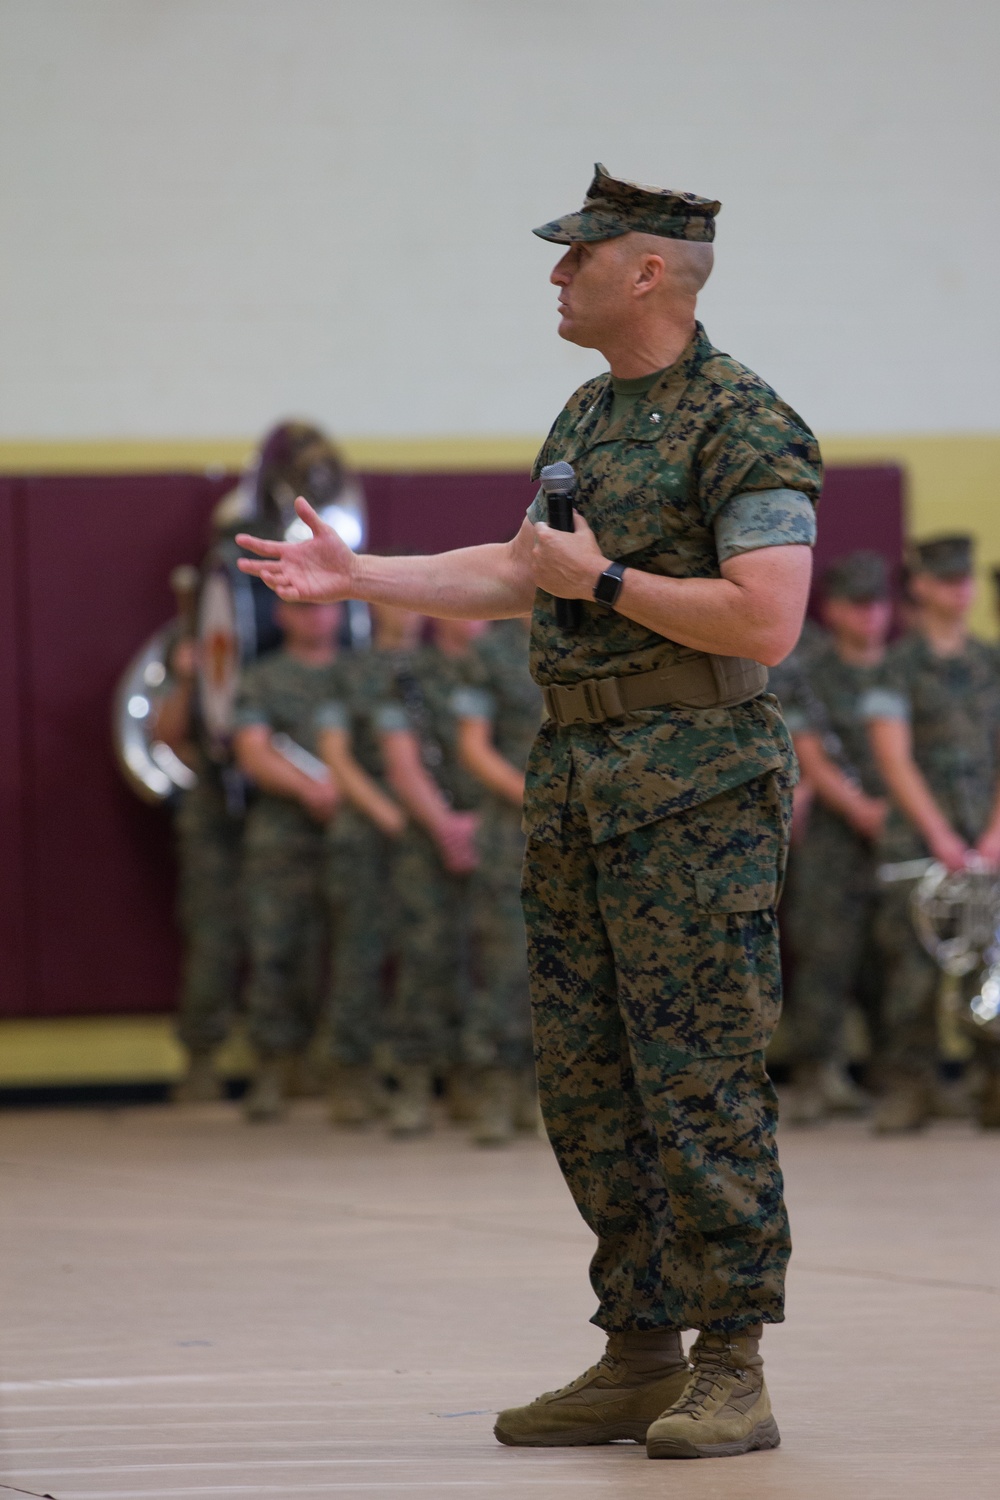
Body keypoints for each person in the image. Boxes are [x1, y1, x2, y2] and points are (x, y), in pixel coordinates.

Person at [236, 163, 819, 1460]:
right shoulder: (587, 417)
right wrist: (354, 573)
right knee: (589, 1082)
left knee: (701, 1078)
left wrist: (605, 579)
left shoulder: (748, 424)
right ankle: (637, 1350)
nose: (557, 274)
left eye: (579, 256)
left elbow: (769, 615)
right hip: (575, 790)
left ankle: (734, 1365)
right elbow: (515, 570)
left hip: (694, 790)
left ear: (647, 269)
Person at [864, 535, 1000, 1132]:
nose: (961, 590)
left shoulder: (991, 663)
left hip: (989, 842)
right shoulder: (895, 666)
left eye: (965, 579)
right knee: (912, 974)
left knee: (990, 970)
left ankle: (992, 1084)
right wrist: (941, 835)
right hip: (919, 844)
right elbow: (894, 759)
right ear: (919, 586)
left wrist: (994, 834)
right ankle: (910, 1087)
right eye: (947, 580)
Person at [779, 553, 892, 1123]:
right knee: (827, 953)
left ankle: (896, 1073)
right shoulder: (810, 669)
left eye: (878, 605)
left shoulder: (900, 668)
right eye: (857, 605)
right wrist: (861, 808)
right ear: (834, 608)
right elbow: (810, 754)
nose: (869, 617)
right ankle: (818, 1072)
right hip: (832, 834)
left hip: (899, 832)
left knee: (892, 956)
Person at [371, 617, 484, 1136]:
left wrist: (486, 824)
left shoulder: (513, 664)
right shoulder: (408, 673)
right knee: (424, 955)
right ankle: (414, 1080)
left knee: (490, 961)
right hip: (428, 835)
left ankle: (477, 1078)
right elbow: (402, 761)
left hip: (500, 830)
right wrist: (447, 826)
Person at [232, 601, 342, 1121]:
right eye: (303, 610)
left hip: (350, 834)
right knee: (275, 951)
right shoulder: (263, 679)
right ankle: (274, 1066)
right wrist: (310, 789)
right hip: (280, 836)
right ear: (283, 615)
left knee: (349, 954)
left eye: (325, 609)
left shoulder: (356, 674)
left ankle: (338, 1065)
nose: (316, 618)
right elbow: (253, 752)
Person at [316, 604, 420, 1126]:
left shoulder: (439, 666)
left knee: (426, 953)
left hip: (428, 825)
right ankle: (351, 1072)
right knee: (359, 950)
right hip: (367, 826)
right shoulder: (349, 671)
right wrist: (386, 812)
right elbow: (335, 752)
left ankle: (419, 1071)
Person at [454, 615, 543, 1145]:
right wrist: (534, 796)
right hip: (513, 832)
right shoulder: (490, 653)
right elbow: (473, 745)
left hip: (592, 829)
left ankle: (558, 1098)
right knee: (505, 962)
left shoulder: (606, 632)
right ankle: (497, 1086)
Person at [154, 634, 245, 1102]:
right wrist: (188, 678)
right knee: (211, 939)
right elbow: (165, 735)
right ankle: (202, 1059)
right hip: (211, 818)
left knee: (293, 940)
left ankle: (291, 1059)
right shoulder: (207, 639)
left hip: (277, 814)